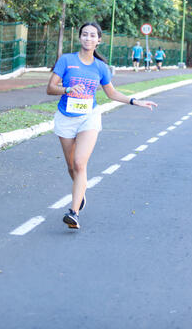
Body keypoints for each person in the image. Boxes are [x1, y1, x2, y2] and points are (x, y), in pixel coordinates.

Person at [47, 23, 157, 229]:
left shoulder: (101, 67)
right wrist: (67, 89)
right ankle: (81, 194)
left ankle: (74, 213)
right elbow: (50, 88)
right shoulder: (66, 61)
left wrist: (135, 101)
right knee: (71, 166)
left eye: (92, 36)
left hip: (89, 117)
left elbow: (112, 93)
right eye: (85, 35)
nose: (88, 38)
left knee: (80, 163)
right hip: (65, 117)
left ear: (99, 41)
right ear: (80, 38)